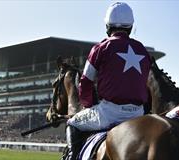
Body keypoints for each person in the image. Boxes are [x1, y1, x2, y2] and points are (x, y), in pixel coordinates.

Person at [64, 2, 151, 160]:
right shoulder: (142, 50)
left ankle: (70, 157)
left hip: (108, 113)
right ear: (130, 27)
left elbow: (85, 82)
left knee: (72, 123)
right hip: (138, 114)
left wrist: (88, 105)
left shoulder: (100, 48)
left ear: (108, 26)